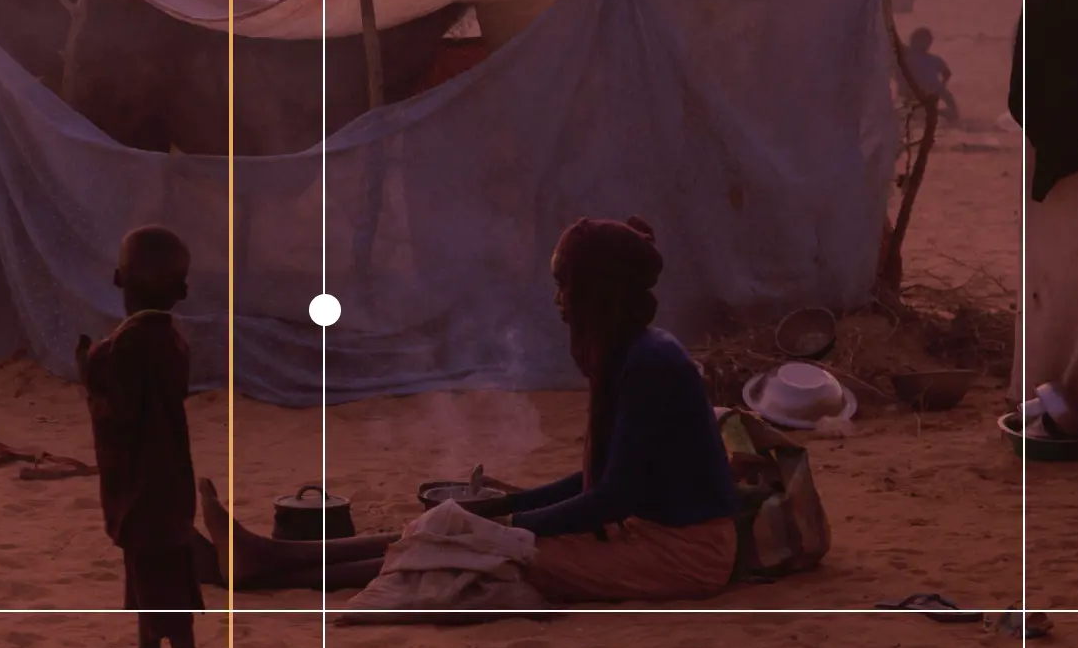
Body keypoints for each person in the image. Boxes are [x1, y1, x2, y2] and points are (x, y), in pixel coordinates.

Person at [196, 217, 739, 604]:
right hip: (646, 532)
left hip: (684, 554)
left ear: (596, 292)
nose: (558, 303)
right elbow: (610, 482)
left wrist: (505, 525)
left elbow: (615, 495)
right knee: (450, 532)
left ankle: (275, 569)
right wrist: (507, 507)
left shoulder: (650, 364)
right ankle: (274, 559)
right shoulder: (638, 353)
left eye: (564, 287)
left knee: (466, 550)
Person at [77, 226, 204, 648]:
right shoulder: (171, 339)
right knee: (144, 566)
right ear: (183, 291)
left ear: (117, 279)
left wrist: (88, 371)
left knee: (160, 573)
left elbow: (121, 409)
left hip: (145, 479)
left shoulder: (128, 344)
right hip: (167, 474)